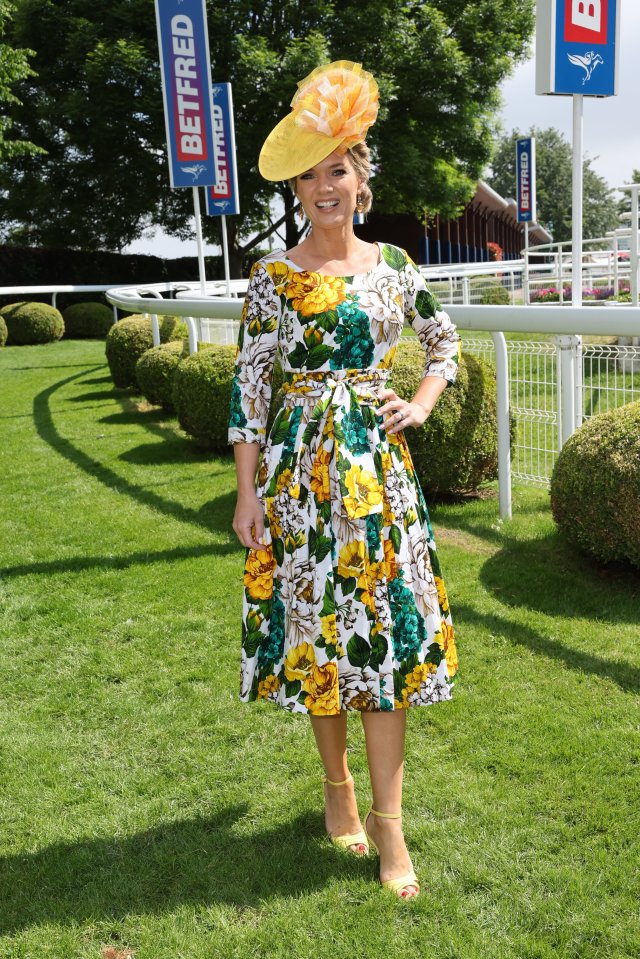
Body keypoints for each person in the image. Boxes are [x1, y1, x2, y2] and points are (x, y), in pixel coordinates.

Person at [228, 60, 460, 900]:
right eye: (309, 175)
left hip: (378, 480)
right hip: (296, 479)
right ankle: (337, 791)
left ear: (361, 178)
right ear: (297, 190)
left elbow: (444, 343)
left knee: (385, 640)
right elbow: (250, 387)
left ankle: (391, 826)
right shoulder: (273, 279)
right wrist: (248, 491)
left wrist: (423, 405)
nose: (324, 187)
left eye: (338, 169)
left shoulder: (395, 264)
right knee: (319, 631)